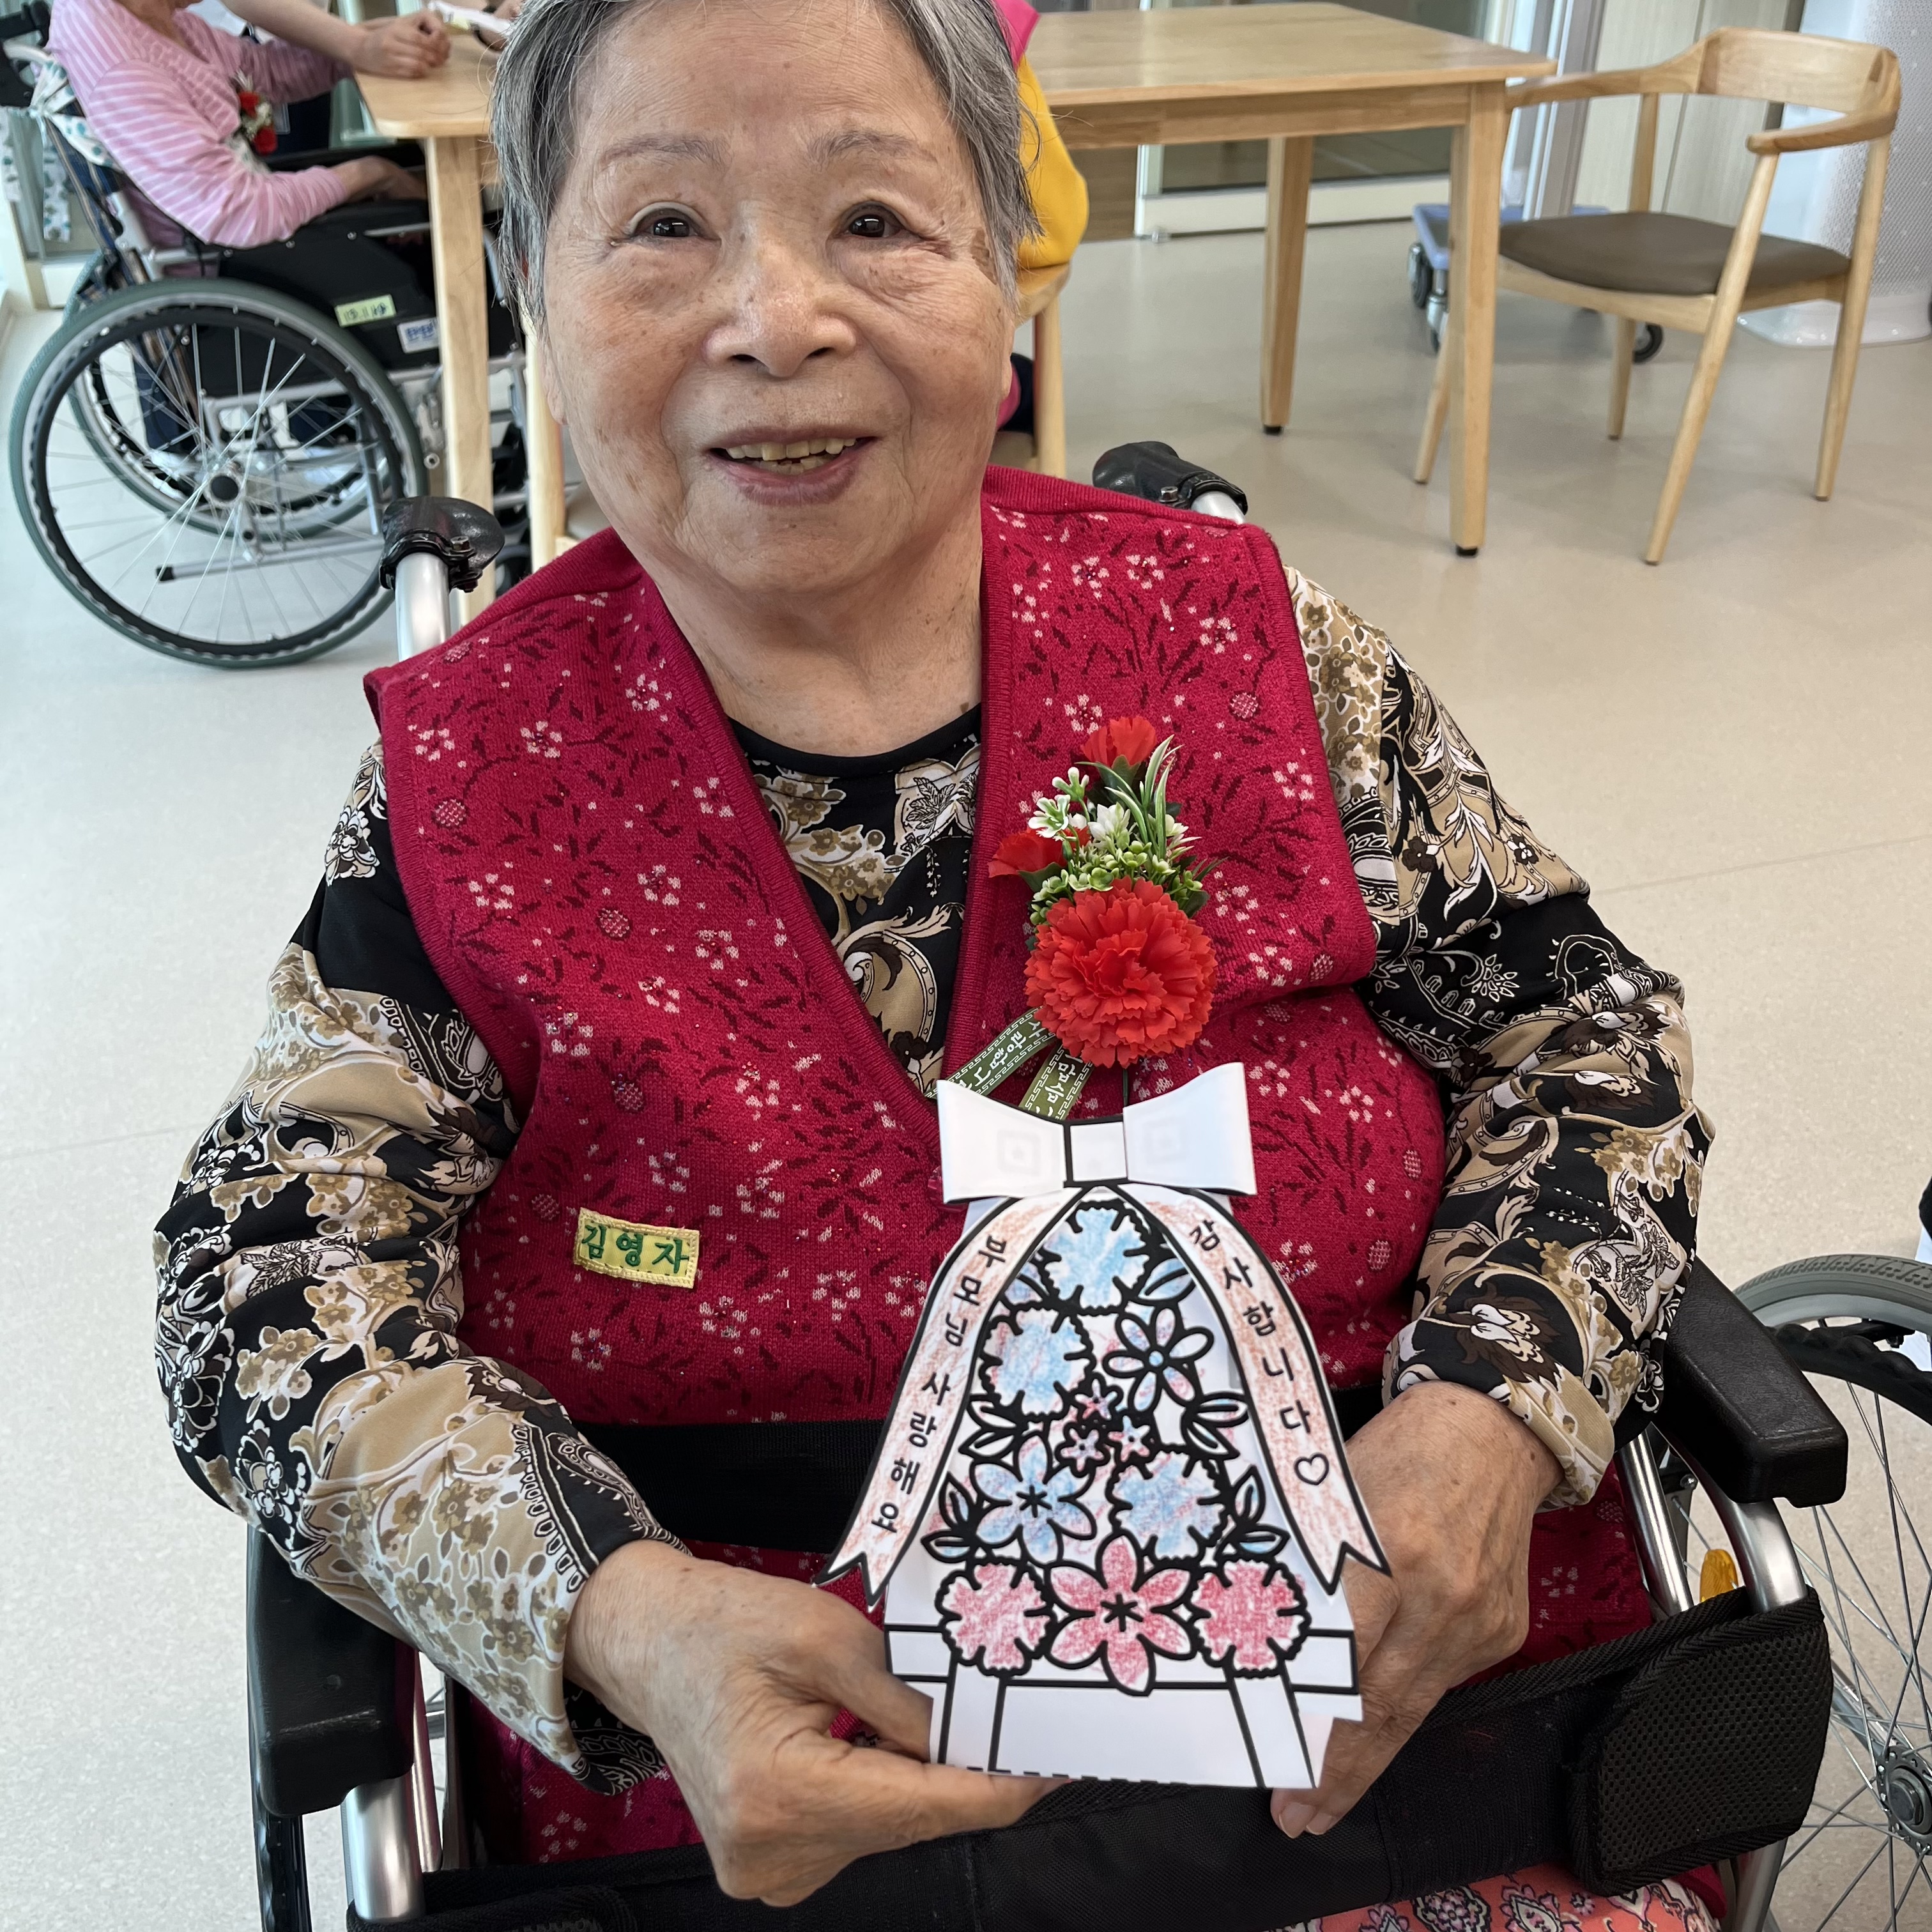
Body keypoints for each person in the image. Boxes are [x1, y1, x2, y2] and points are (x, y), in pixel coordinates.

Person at [153, 0, 1714, 1922]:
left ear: (1003, 270)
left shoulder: (1253, 646)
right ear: (534, 296)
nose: (777, 319)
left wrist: (1491, 1415)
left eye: (877, 220)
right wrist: (615, 1615)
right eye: (663, 226)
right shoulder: (474, 776)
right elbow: (262, 1292)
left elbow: (1584, 1029)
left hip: (1396, 1760)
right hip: (773, 1837)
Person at [47, 0, 440, 250]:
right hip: (227, 264)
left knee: (423, 177)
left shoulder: (150, 14)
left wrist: (377, 41)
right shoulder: (124, 69)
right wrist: (374, 174)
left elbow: (260, 70)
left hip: (247, 216)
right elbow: (239, 213)